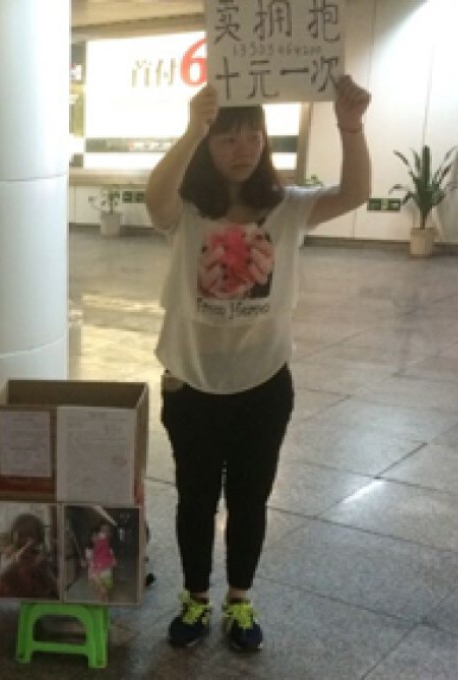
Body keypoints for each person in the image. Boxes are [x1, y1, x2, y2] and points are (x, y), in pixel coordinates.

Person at [144, 76, 371, 652]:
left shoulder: (287, 208)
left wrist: (350, 126)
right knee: (196, 499)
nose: (241, 149)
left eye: (252, 136)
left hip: (263, 383)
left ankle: (239, 601)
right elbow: (155, 199)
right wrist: (192, 126)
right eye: (227, 139)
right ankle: (195, 599)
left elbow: (355, 194)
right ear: (208, 146)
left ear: (265, 142)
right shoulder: (188, 211)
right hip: (191, 383)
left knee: (250, 499)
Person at [0, 512, 60, 600]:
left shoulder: (39, 557)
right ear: (12, 535)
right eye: (20, 535)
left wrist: (44, 570)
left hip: (34, 599)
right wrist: (16, 560)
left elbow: (54, 586)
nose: (25, 540)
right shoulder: (8, 553)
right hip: (11, 599)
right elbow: (2, 573)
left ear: (39, 539)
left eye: (30, 536)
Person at [85, 521, 116, 603]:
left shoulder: (108, 547)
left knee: (105, 592)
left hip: (105, 573)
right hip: (95, 573)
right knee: (99, 591)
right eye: (103, 531)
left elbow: (112, 560)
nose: (104, 533)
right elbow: (90, 559)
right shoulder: (90, 549)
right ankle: (101, 602)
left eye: (107, 530)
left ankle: (105, 602)